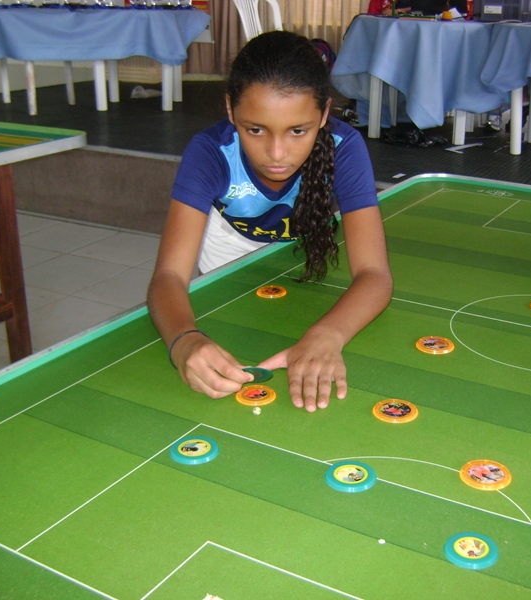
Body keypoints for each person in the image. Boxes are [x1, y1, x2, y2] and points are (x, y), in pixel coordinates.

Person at [147, 31, 393, 413]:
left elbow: (375, 274)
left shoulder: (345, 149)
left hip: (303, 252)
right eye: (255, 129)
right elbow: (168, 278)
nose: (276, 154)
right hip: (229, 250)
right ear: (230, 111)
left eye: (299, 131)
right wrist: (184, 342)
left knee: (307, 327)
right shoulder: (209, 152)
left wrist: (327, 336)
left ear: (325, 114)